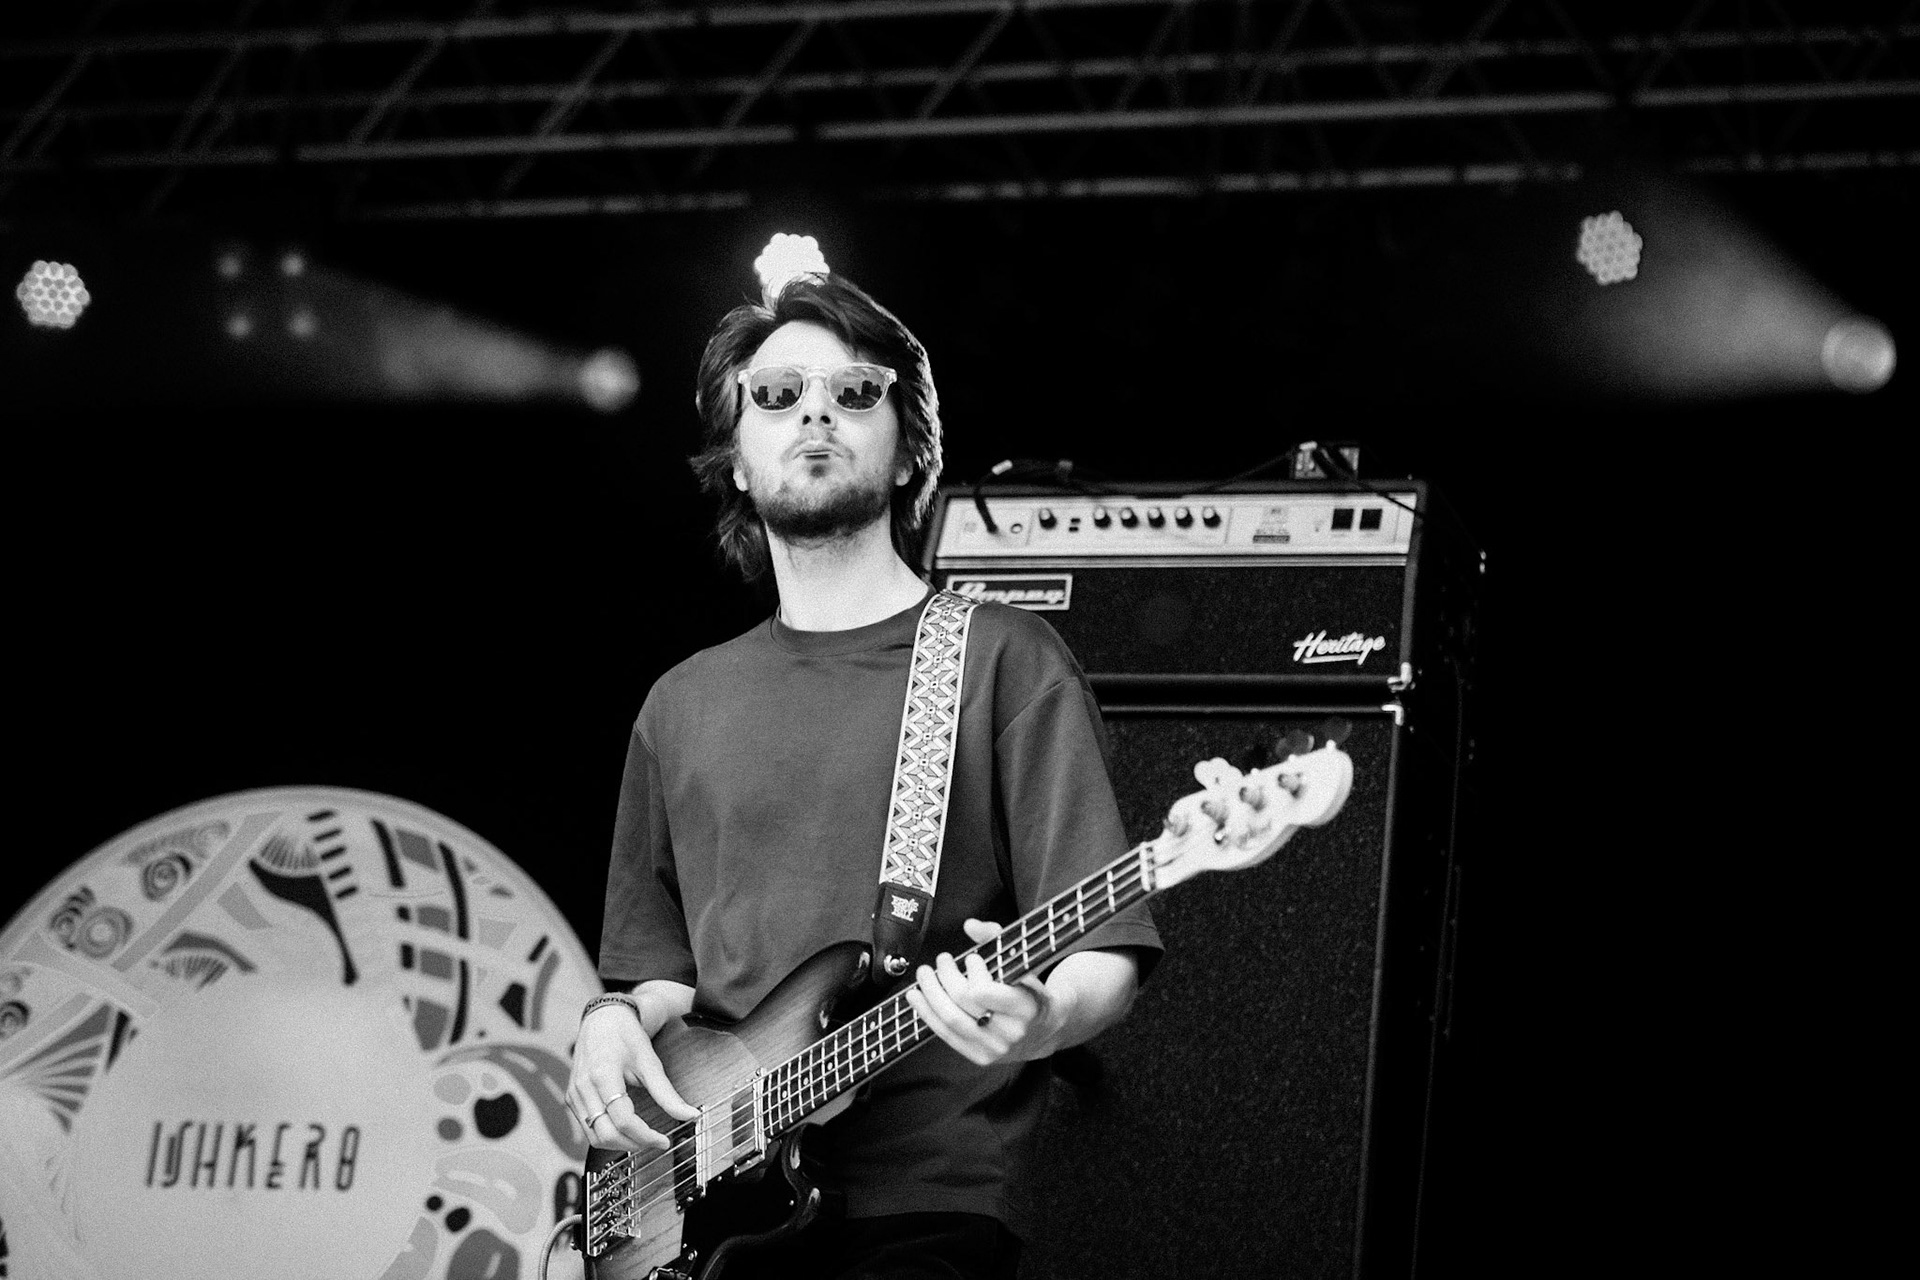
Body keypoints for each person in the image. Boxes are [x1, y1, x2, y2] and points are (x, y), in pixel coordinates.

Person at [567, 271, 1160, 1280]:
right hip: (710, 1213)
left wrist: (1046, 1015)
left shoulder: (999, 659)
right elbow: (657, 971)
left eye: (855, 391)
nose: (815, 412)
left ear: (909, 453)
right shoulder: (679, 702)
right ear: (738, 463)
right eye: (778, 392)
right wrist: (608, 1021)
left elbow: (1101, 941)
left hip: (929, 1206)